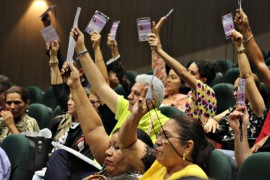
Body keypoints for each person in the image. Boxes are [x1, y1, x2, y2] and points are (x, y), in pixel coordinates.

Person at [70, 27, 169, 142]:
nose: (129, 96)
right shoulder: (127, 107)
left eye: (136, 94)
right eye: (131, 92)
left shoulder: (162, 123)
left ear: (151, 100)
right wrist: (81, 48)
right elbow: (100, 85)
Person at [65, 62, 154, 178]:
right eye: (110, 146)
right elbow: (93, 129)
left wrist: (134, 117)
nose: (107, 152)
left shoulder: (135, 176)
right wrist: (75, 85)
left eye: (117, 147)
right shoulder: (107, 169)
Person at [118, 87, 214, 179]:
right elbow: (126, 144)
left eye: (166, 136)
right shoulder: (160, 164)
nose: (157, 142)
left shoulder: (193, 176)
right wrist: (134, 116)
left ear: (187, 146)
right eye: (159, 135)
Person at [148, 20, 217, 125]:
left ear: (203, 80)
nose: (188, 75)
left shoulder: (207, 92)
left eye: (192, 73)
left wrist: (159, 50)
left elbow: (183, 73)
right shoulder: (190, 94)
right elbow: (159, 72)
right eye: (188, 70)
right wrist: (156, 43)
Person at [204, 29, 267, 143]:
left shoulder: (257, 108)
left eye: (240, 89)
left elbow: (246, 76)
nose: (235, 93)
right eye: (234, 90)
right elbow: (213, 118)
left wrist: (239, 47)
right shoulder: (234, 108)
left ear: (255, 90)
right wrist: (211, 121)